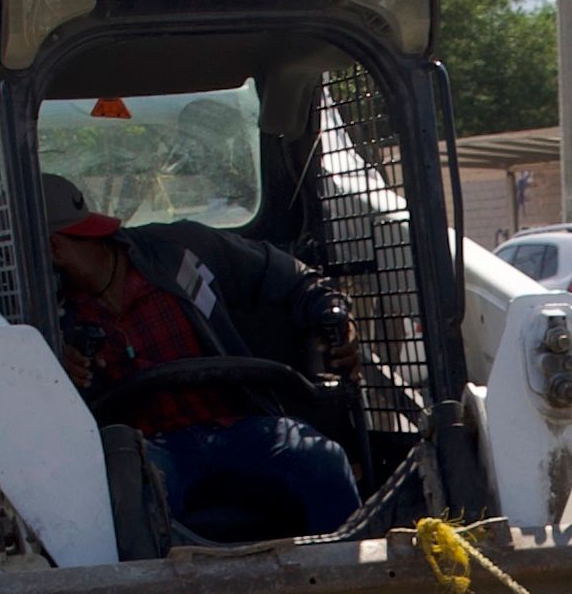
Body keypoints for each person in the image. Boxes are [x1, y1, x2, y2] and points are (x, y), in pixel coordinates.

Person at [47, 205, 354, 541]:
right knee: (131, 495)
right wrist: (55, 366)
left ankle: (356, 584)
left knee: (323, 461)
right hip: (151, 448)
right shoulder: (53, 319)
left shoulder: (180, 251)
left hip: (237, 424)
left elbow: (292, 277)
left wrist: (333, 313)